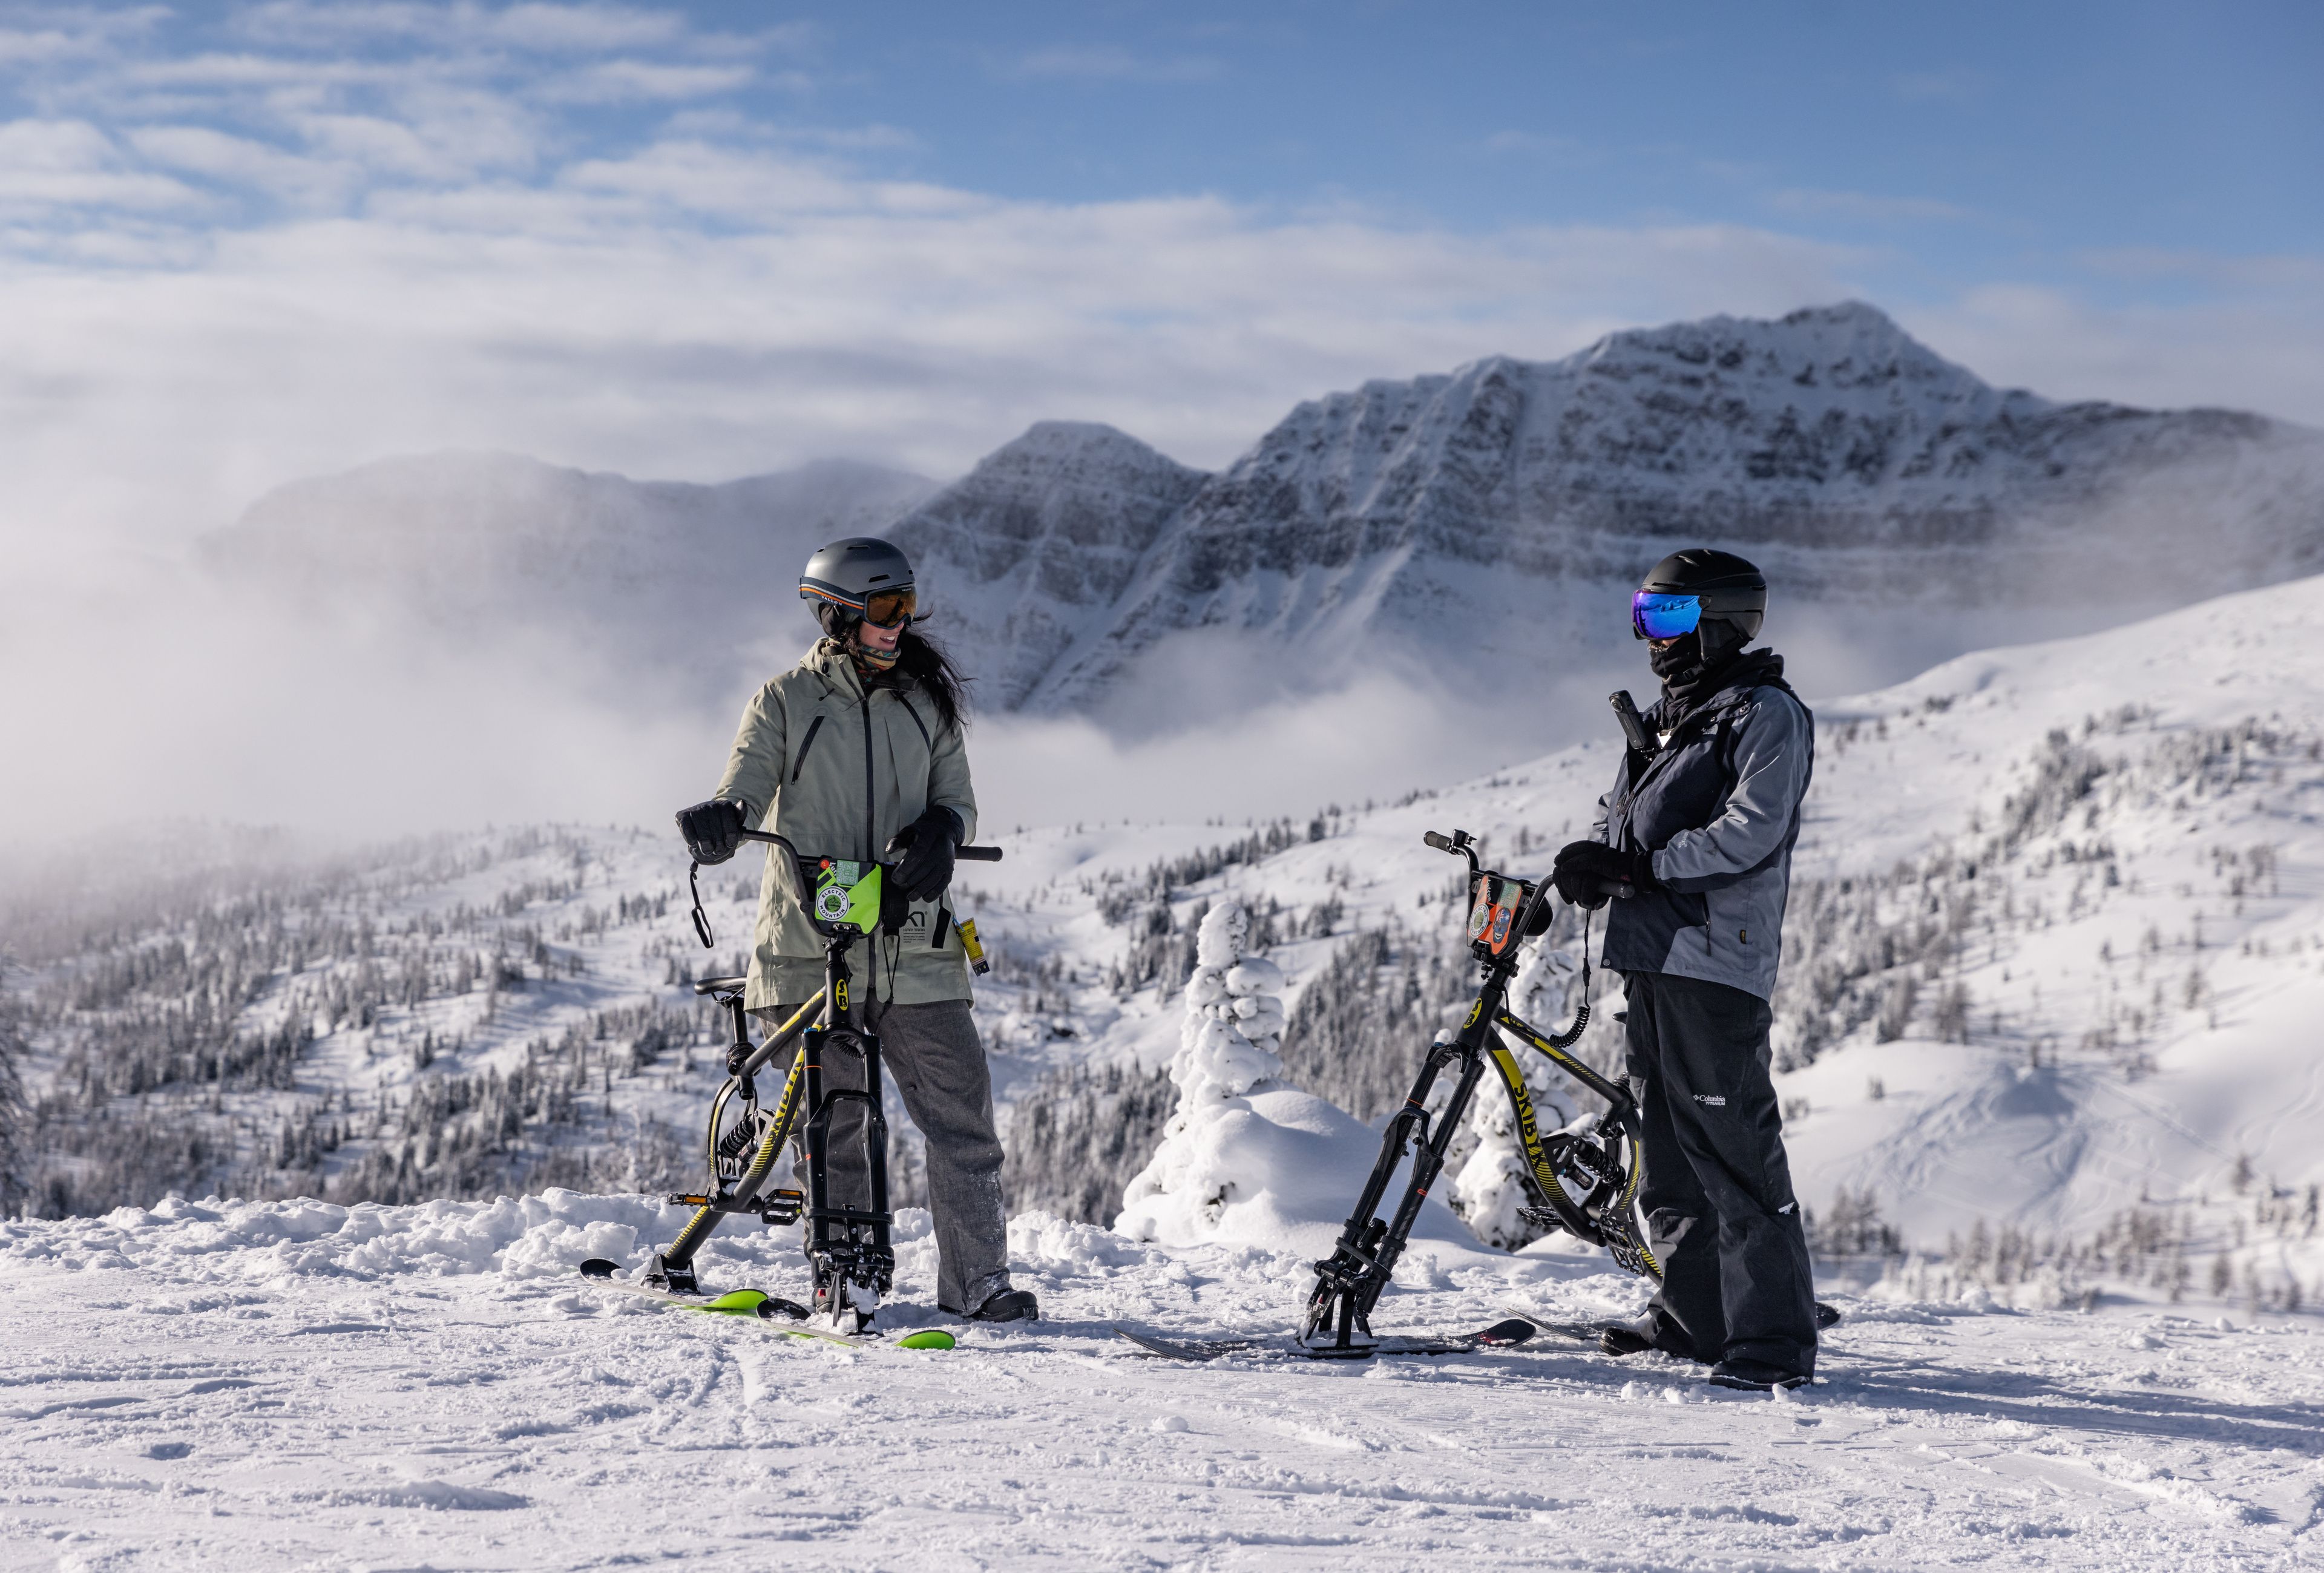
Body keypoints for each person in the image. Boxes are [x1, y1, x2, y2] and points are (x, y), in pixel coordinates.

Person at [672, 537, 1036, 1325]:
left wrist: (943, 829)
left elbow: (959, 799)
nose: (899, 624)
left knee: (962, 1118)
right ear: (836, 615)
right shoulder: (785, 701)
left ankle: (978, 1283)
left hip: (916, 953)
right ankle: (845, 1273)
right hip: (813, 950)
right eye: (883, 609)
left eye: (906, 605)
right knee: (838, 1123)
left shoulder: (926, 704)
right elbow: (745, 783)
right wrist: (724, 818)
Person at [1551, 548, 1817, 1391]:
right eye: (1643, 617)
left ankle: (1771, 1344)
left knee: (1734, 1152)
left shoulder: (1764, 715)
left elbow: (1752, 832)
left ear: (1723, 623)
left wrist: (1641, 871)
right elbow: (1622, 821)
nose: (1651, 639)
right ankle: (1697, 1320)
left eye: (1666, 618)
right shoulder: (1672, 722)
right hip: (1651, 958)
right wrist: (1597, 863)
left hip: (1712, 961)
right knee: (1666, 1155)